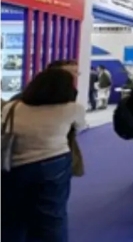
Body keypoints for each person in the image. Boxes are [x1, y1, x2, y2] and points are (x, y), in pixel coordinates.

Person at [1, 67, 86, 242]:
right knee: (52, 216)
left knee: (12, 215)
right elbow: (80, 127)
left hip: (14, 165)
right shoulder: (73, 109)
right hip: (54, 163)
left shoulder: (12, 107)